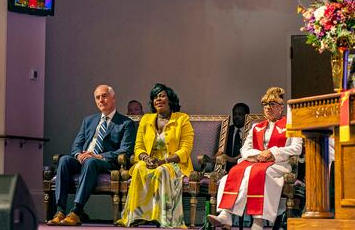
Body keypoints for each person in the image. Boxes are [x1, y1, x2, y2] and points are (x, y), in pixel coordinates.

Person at [208, 87, 302, 230]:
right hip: (256, 162)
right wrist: (258, 155)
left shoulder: (291, 125)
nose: (268, 108)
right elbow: (244, 149)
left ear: (281, 108)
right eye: (265, 105)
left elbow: (297, 148)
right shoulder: (256, 127)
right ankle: (226, 214)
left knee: (260, 174)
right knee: (232, 174)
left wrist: (272, 152)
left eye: (272, 105)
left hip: (279, 164)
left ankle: (258, 222)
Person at [47, 85, 135, 226]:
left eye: (104, 96)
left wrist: (99, 156)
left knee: (90, 162)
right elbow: (76, 145)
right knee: (64, 160)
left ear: (113, 98)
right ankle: (60, 211)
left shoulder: (125, 123)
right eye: (97, 97)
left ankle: (76, 211)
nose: (101, 100)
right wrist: (78, 155)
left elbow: (125, 149)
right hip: (85, 158)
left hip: (105, 162)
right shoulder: (88, 120)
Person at [117, 83, 194, 228]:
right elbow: (138, 147)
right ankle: (137, 216)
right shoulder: (146, 119)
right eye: (155, 97)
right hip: (151, 161)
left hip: (174, 164)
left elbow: (185, 150)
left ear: (170, 99)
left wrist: (162, 161)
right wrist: (146, 158)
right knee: (139, 167)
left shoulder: (182, 119)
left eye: (162, 96)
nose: (158, 99)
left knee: (161, 171)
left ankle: (162, 217)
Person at [224, 102, 250, 169]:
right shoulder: (226, 131)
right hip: (227, 168)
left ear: (247, 116)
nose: (236, 117)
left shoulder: (251, 132)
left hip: (245, 168)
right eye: (234, 114)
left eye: (240, 114)